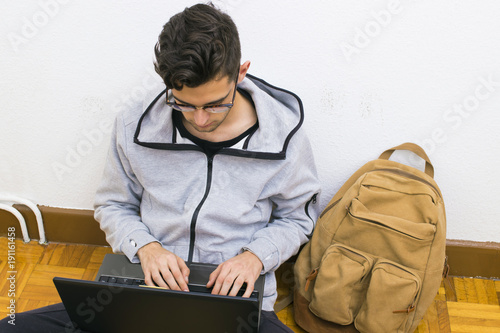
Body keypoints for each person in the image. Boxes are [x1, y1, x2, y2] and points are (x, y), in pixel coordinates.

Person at [0, 3, 320, 332]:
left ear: (240, 72)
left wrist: (255, 257)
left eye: (214, 104)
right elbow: (113, 204)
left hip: (232, 298)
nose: (199, 119)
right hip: (146, 285)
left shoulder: (285, 136)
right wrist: (147, 248)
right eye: (182, 103)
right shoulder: (134, 125)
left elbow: (298, 217)